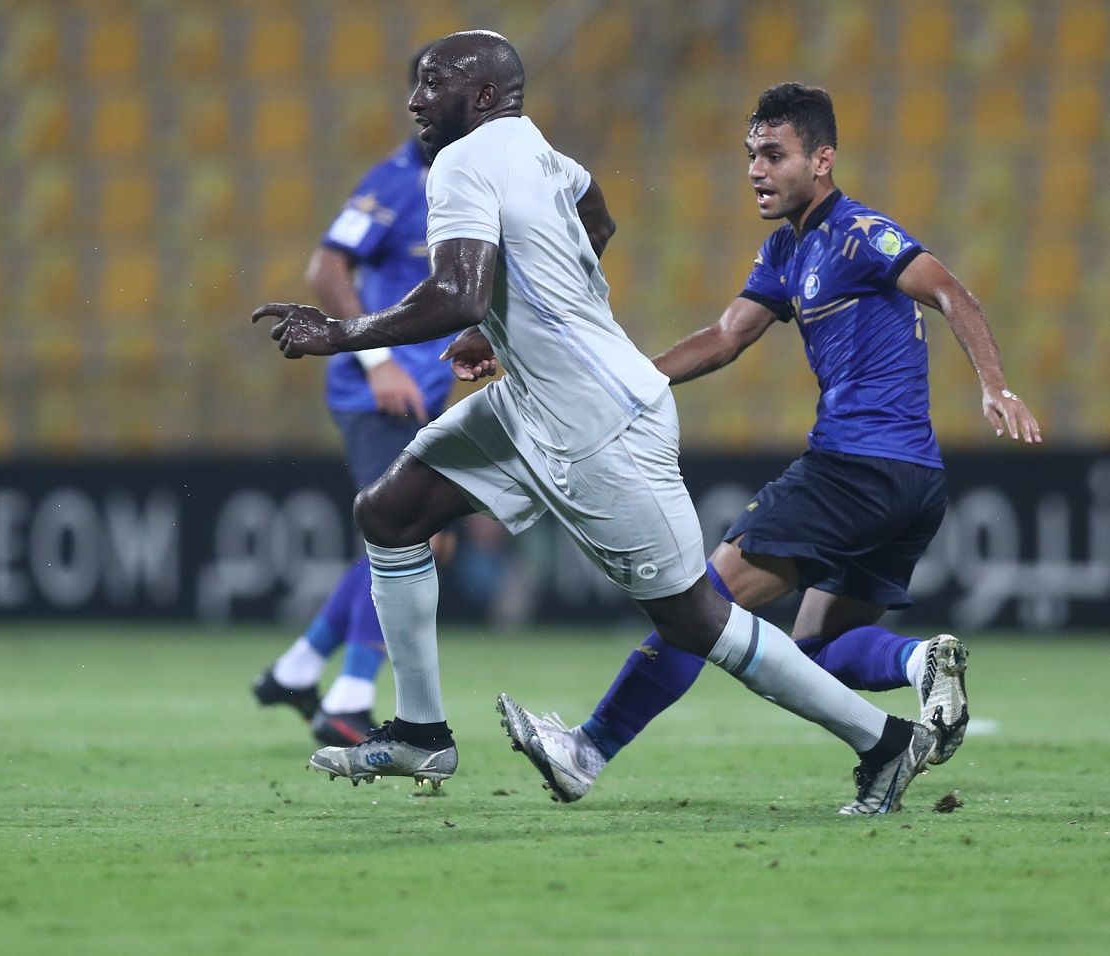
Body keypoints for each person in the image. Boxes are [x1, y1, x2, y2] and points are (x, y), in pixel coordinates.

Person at [254, 34, 949, 814]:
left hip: (598, 423)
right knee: (389, 512)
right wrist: (506, 318)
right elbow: (597, 217)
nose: (415, 100)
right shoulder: (540, 152)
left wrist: (340, 335)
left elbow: (454, 295)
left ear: (483, 97)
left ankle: (885, 742)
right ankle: (422, 729)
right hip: (531, 405)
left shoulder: (459, 163)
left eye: (432, 83)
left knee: (697, 618)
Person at [494, 82, 1043, 804]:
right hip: (910, 483)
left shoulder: (859, 233)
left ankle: (587, 750)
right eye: (751, 153)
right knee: (811, 651)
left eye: (774, 154)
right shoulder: (787, 251)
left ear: (822, 161)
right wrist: (622, 382)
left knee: (697, 605)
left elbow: (950, 292)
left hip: (854, 467)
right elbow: (725, 338)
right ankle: (917, 671)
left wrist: (994, 384)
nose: (756, 169)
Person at [252, 46, 459, 747]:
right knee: (409, 536)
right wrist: (377, 363)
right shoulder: (396, 183)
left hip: (420, 393)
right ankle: (344, 696)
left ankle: (302, 665)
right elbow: (325, 266)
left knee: (414, 536)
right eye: (433, 90)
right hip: (378, 394)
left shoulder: (464, 184)